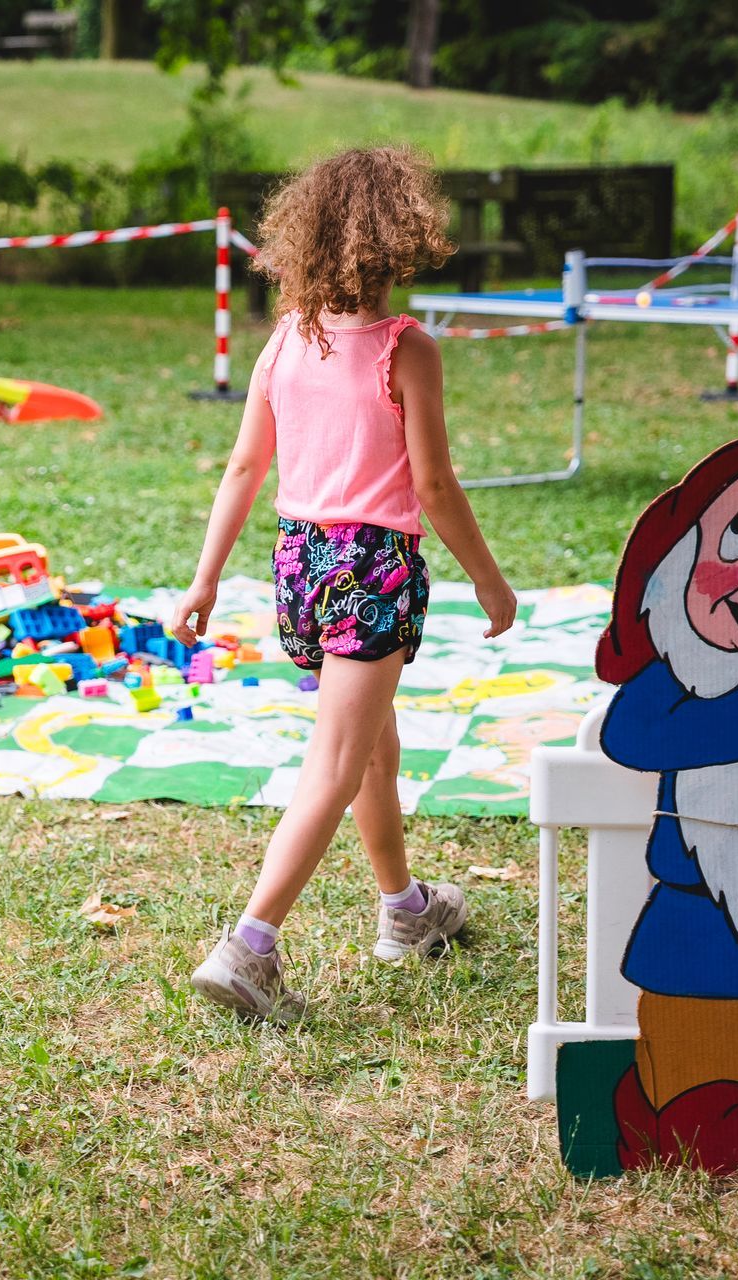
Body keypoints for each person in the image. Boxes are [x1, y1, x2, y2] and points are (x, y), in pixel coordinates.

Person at [171, 147, 518, 1025]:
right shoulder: (409, 351)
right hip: (372, 569)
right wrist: (490, 580)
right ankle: (249, 946)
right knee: (335, 762)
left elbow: (246, 465)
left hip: (299, 565)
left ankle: (403, 911)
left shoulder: (285, 339)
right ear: (404, 239)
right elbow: (433, 486)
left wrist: (205, 580)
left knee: (371, 746)